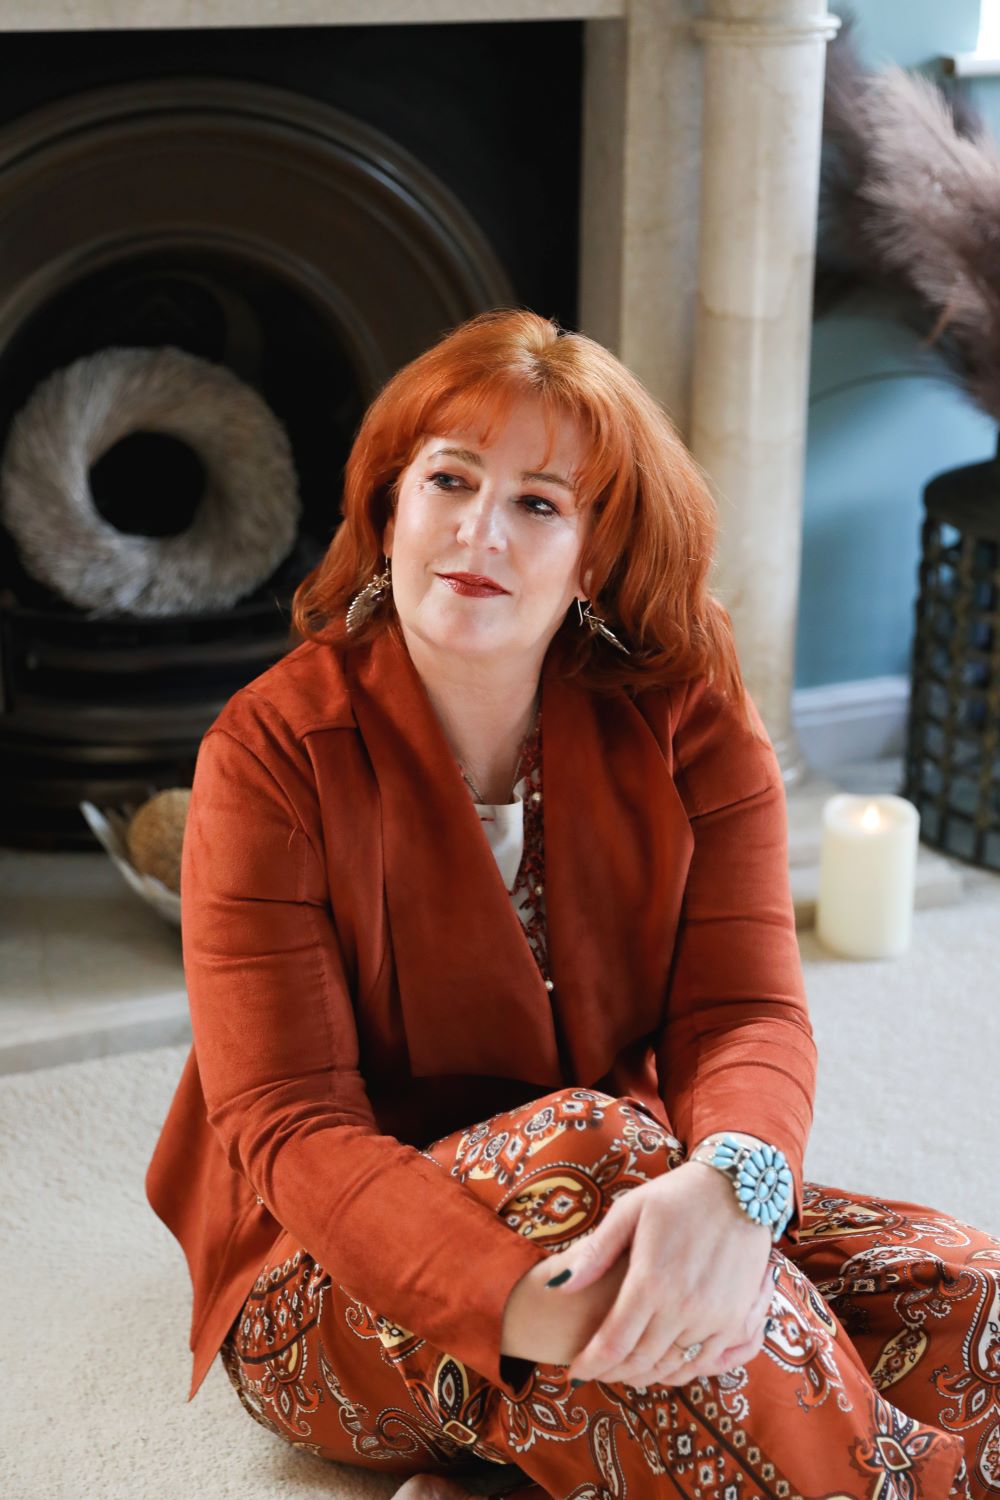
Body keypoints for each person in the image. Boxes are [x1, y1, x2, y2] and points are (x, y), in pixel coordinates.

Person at [146, 308, 999, 1500]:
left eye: (539, 503)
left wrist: (734, 1187)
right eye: (450, 480)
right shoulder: (268, 752)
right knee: (597, 1159)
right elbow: (291, 1124)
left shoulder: (690, 721)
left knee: (971, 1300)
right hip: (329, 1273)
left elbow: (743, 1012)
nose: (478, 531)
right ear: (390, 508)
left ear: (592, 558)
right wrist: (522, 1306)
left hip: (629, 1189)